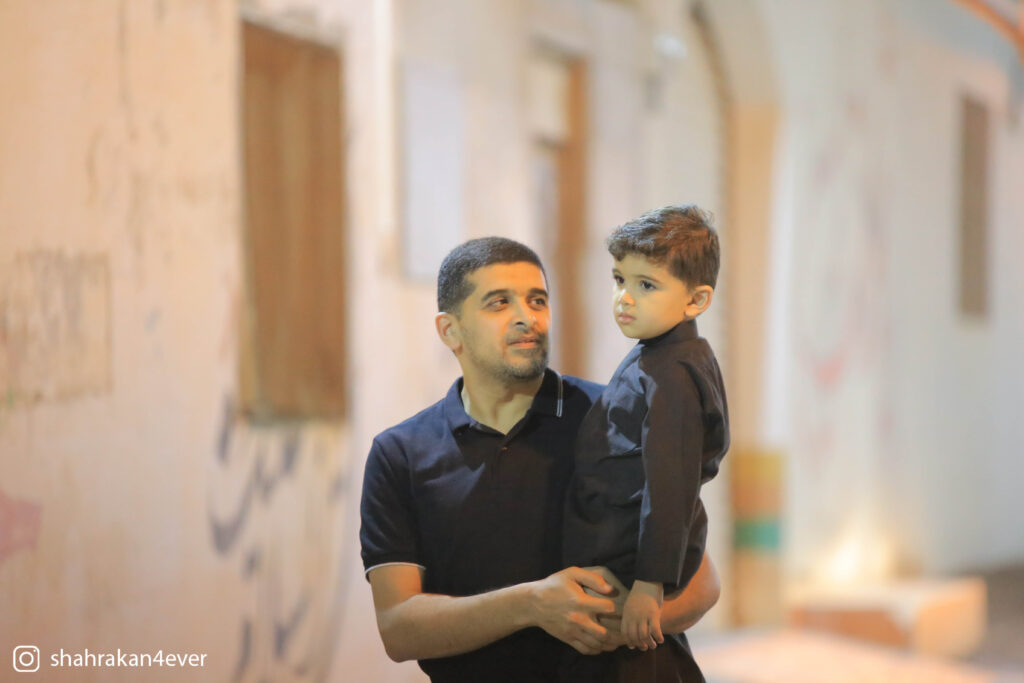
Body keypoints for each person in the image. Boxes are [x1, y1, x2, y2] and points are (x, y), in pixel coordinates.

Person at [360, 237, 721, 682]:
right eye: (499, 303)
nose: (526, 318)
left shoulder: (616, 415)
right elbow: (398, 627)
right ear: (450, 330)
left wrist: (613, 627)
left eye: (537, 300)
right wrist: (531, 605)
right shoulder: (400, 454)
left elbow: (702, 585)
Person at [562, 205, 729, 682]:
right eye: (619, 280)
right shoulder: (658, 353)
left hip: (635, 562)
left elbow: (670, 485)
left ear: (696, 300)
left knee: (640, 662)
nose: (625, 298)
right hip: (621, 548)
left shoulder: (673, 375)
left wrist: (649, 584)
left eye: (647, 285)